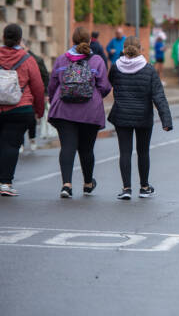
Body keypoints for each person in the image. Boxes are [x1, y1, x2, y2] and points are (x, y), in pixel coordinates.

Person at [48, 26, 111, 198]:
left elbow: (52, 86)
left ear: (73, 41)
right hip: (89, 112)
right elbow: (105, 87)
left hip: (63, 111)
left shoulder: (61, 60)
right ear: (90, 41)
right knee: (86, 149)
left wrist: (53, 100)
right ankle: (88, 183)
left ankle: (66, 185)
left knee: (67, 147)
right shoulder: (97, 60)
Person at [108, 36, 172, 200]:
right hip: (143, 116)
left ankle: (126, 188)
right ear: (140, 49)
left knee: (125, 152)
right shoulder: (149, 69)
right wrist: (166, 120)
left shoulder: (116, 68)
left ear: (123, 49)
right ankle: (144, 187)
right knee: (143, 152)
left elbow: (110, 83)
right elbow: (159, 96)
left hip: (121, 115)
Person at [0, 24, 45, 196]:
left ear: (4, 37)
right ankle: (5, 183)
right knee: (11, 145)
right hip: (20, 108)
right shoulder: (27, 59)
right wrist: (39, 111)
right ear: (20, 39)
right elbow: (38, 87)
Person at [22, 41, 49, 152]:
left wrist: (46, 94)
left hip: (33, 94)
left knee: (31, 119)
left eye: (22, 47)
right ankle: (21, 143)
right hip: (19, 94)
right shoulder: (12, 59)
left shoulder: (37, 60)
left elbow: (45, 77)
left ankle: (32, 138)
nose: (20, 49)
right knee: (20, 120)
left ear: (27, 47)